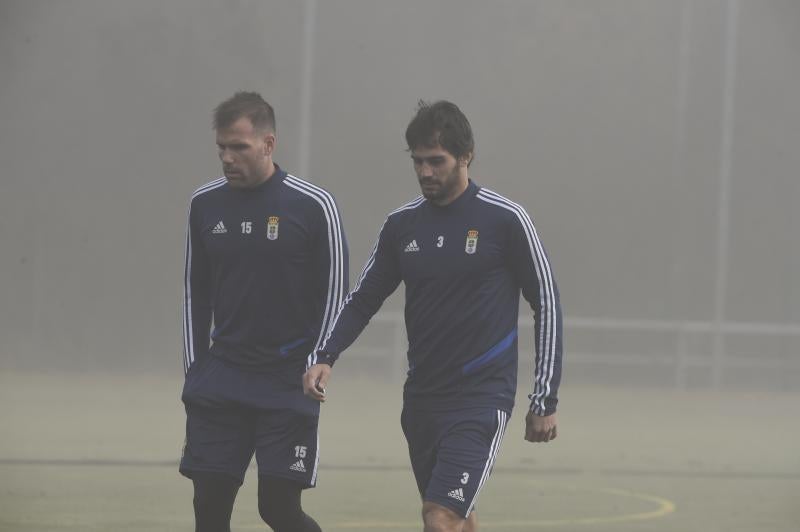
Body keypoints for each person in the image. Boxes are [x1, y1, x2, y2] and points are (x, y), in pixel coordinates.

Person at [303, 100, 562, 532]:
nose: (425, 172)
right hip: (421, 400)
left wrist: (544, 398)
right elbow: (363, 298)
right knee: (458, 517)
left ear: (466, 156)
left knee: (439, 516)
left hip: (481, 398)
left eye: (436, 161)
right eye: (418, 161)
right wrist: (325, 355)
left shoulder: (506, 220)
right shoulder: (402, 227)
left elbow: (547, 303)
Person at [180, 91, 348, 532]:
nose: (227, 158)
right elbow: (195, 293)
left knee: (277, 509)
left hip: (286, 379)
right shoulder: (204, 204)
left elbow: (335, 294)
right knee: (208, 511)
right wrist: (195, 368)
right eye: (221, 147)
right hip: (222, 378)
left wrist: (319, 360)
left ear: (269, 144)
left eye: (239, 147)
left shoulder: (314, 206)